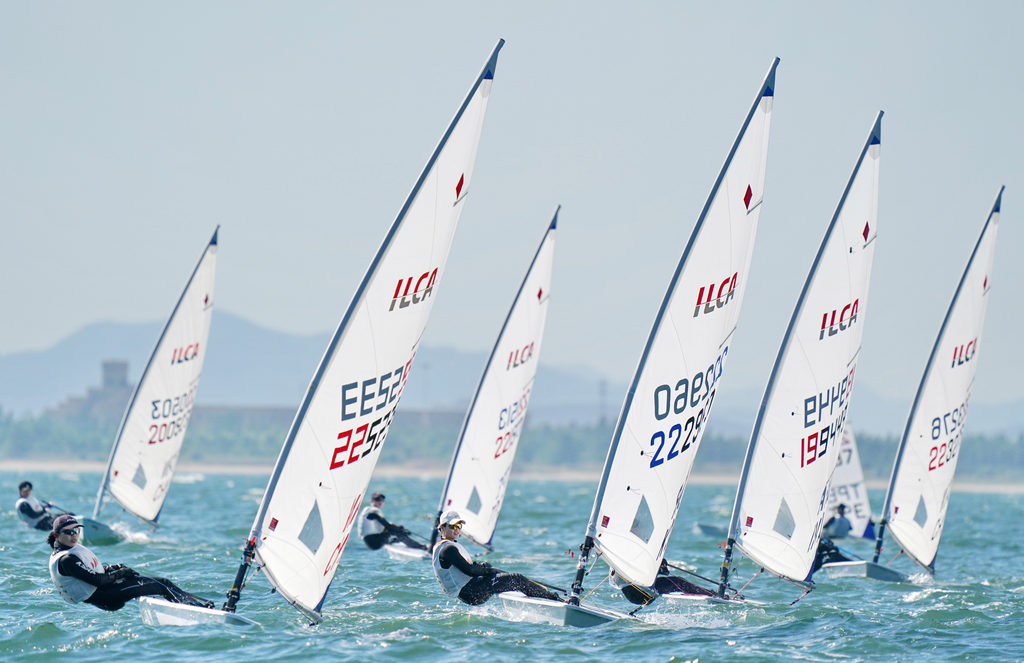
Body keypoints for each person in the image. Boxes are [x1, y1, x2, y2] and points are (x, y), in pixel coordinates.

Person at [47, 514, 215, 612]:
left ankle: (194, 605)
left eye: (76, 530)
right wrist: (121, 573)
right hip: (105, 597)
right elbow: (97, 580)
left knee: (162, 582)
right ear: (56, 535)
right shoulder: (66, 560)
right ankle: (197, 610)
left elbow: (91, 572)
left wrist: (114, 568)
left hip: (105, 590)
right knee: (160, 586)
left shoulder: (70, 549)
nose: (74, 535)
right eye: (68, 532)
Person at [431, 510, 563, 605]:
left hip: (470, 590)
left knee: (508, 577)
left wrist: (484, 568)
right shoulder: (447, 549)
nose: (457, 530)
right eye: (453, 526)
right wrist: (485, 569)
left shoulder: (445, 547)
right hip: (470, 592)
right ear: (442, 527)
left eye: (459, 526)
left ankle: (542, 595)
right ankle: (554, 600)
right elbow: (470, 571)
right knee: (516, 579)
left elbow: (466, 568)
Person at [611, 559, 716, 605]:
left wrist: (660, 566)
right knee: (678, 582)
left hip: (630, 594)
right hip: (643, 592)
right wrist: (661, 566)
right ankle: (712, 595)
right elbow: (663, 573)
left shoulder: (618, 556)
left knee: (675, 582)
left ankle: (711, 594)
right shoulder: (637, 558)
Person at [358, 492, 427, 551]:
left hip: (371, 542)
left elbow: (384, 526)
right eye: (377, 500)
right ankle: (421, 547)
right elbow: (388, 526)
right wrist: (401, 530)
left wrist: (398, 528)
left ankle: (399, 542)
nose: (380, 502)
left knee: (397, 532)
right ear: (372, 501)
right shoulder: (373, 512)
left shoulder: (366, 510)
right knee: (398, 533)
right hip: (374, 542)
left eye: (382, 500)